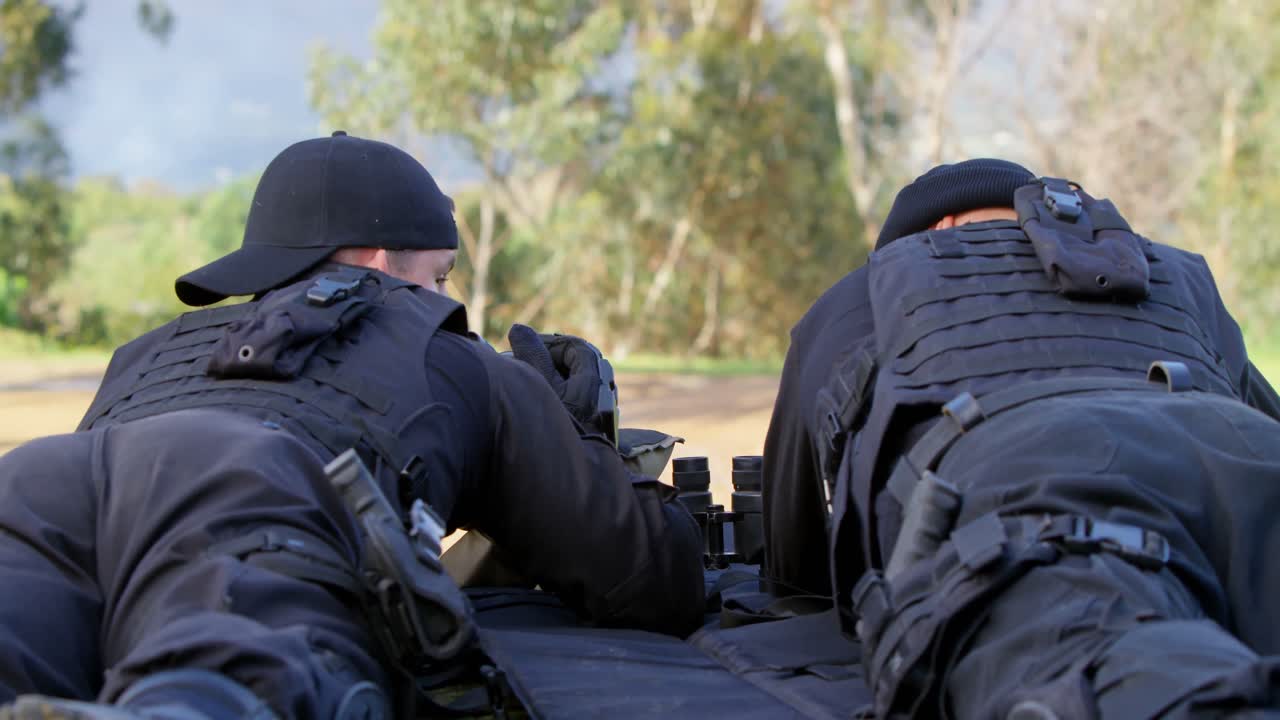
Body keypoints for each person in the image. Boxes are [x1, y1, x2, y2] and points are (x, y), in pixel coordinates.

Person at [0, 132, 705, 720]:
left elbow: (136, 515)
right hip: (250, 482)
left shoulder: (154, 348)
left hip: (33, 484)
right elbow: (644, 572)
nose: (439, 298)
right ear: (375, 262)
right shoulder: (447, 350)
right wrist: (570, 428)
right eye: (440, 276)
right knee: (232, 678)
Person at [762, 158, 1280, 717]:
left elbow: (797, 568)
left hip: (1039, 490)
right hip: (1243, 453)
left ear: (939, 231)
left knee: (1119, 674)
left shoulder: (870, 287)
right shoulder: (1169, 270)